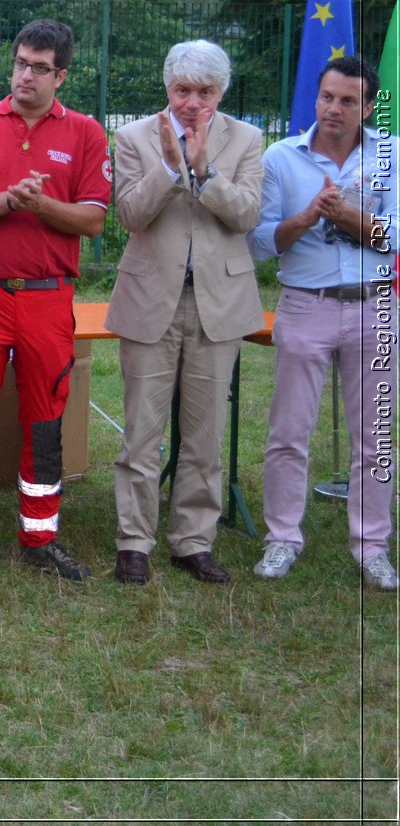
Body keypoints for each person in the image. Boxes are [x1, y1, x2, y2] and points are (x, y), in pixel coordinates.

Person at [0, 19, 110, 587]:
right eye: (20, 63)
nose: (25, 75)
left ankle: (41, 537)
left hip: (47, 299)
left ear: (62, 75)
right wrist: (8, 200)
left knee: (45, 421)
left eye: (39, 67)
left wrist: (41, 206)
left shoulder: (85, 134)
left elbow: (93, 220)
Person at [105, 40, 264, 586]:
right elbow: (129, 214)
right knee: (141, 431)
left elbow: (247, 216)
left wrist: (208, 174)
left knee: (203, 432)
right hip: (151, 299)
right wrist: (172, 172)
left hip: (218, 301)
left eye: (206, 92)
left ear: (221, 92)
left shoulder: (246, 138)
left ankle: (194, 541)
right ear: (166, 87)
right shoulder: (132, 137)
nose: (193, 102)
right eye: (182, 90)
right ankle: (134, 541)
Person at [248, 56, 398, 591]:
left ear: (367, 106)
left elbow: (398, 235)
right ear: (316, 98)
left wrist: (355, 221)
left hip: (374, 306)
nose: (334, 109)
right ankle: (282, 539)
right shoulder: (281, 158)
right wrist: (308, 217)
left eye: (348, 101)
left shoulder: (390, 154)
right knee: (289, 432)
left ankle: (373, 545)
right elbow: (262, 243)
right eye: (327, 97)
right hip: (305, 303)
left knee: (374, 436)